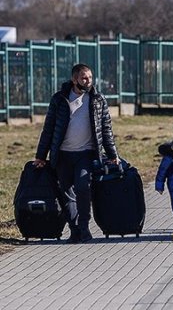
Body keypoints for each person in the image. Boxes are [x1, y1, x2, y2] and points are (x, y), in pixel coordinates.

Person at [34, 63, 119, 244]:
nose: (88, 81)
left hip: (86, 154)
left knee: (82, 187)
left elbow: (106, 129)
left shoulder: (98, 100)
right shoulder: (59, 99)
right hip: (63, 154)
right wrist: (41, 156)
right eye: (83, 78)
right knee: (66, 192)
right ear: (74, 80)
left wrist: (113, 154)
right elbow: (48, 129)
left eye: (89, 77)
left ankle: (84, 227)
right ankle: (74, 230)